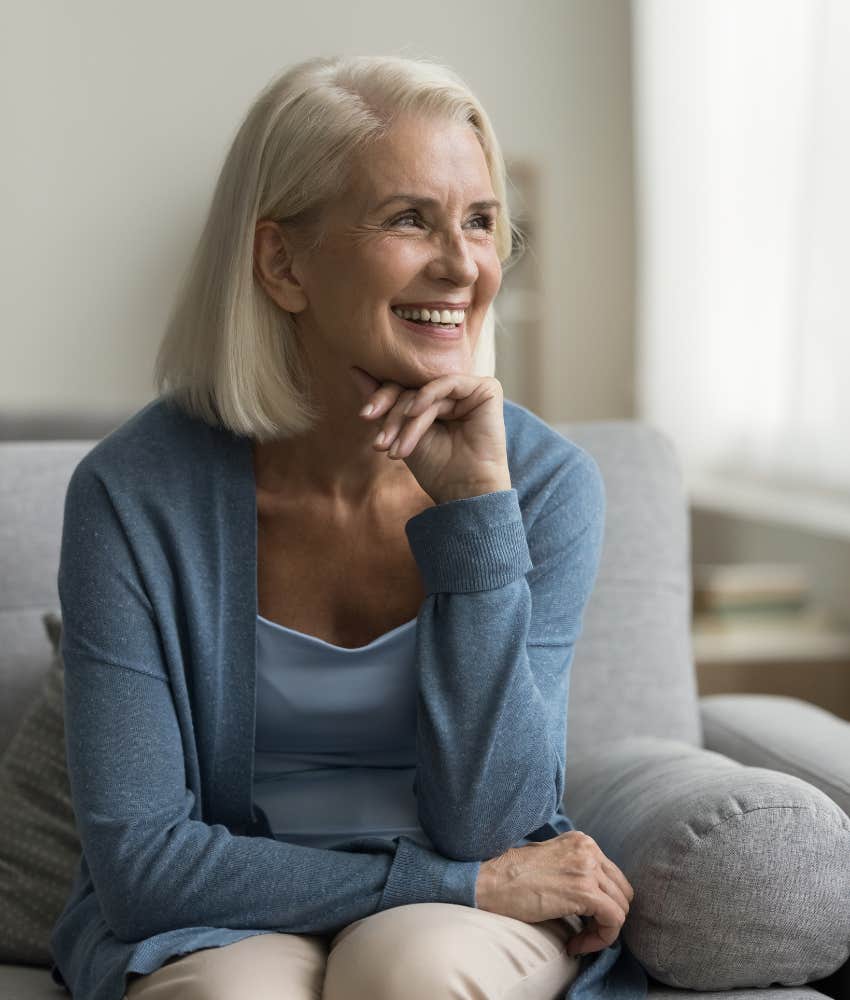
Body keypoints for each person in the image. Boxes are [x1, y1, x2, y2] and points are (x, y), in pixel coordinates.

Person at [48, 54, 645, 1000]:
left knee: (413, 968)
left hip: (464, 921)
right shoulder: (133, 493)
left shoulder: (540, 485)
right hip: (225, 918)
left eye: (481, 221)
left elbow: (493, 822)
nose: (462, 264)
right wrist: (455, 881)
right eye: (411, 218)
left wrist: (476, 517)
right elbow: (142, 862)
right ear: (282, 262)